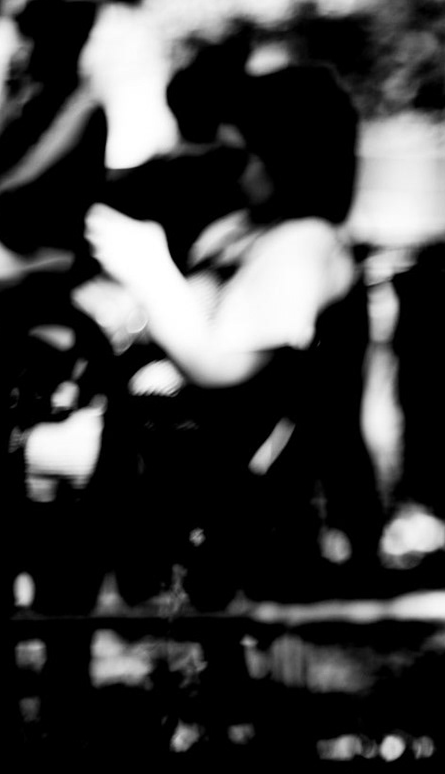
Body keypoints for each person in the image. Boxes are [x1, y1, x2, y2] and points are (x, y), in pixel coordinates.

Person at [82, 60, 380, 607]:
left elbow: (221, 365)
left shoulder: (304, 245)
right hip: (165, 449)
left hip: (226, 477)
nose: (230, 172)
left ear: (286, 155)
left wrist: (151, 272)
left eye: (239, 155)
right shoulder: (241, 229)